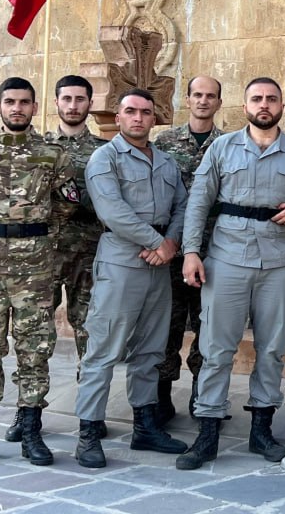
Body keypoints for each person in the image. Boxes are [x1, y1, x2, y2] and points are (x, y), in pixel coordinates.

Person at [176, 78, 285, 469]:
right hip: (227, 259)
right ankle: (208, 431)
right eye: (257, 98)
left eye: (271, 99)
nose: (264, 105)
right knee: (216, 348)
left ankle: (262, 430)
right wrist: (191, 252)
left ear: (282, 105)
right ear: (244, 105)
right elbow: (198, 203)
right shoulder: (222, 149)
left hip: (280, 262)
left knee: (273, 348)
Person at [0, 77, 80, 467]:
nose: (17, 108)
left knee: (34, 346)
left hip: (35, 264)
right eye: (10, 102)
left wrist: (34, 229)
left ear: (34, 107)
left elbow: (67, 202)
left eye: (24, 102)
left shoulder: (52, 154)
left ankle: (31, 431)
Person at [73, 89, 191, 468]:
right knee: (104, 349)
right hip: (122, 260)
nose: (138, 117)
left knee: (151, 350)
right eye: (130, 111)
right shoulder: (105, 158)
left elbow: (183, 206)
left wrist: (171, 243)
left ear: (154, 118)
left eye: (145, 112)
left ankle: (145, 426)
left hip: (159, 264)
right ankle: (88, 433)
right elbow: (112, 210)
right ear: (119, 117)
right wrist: (159, 243)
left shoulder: (167, 162)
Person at [3, 74, 104, 445]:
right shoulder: (38, 148)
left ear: (90, 103)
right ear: (56, 103)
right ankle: (27, 410)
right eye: (66, 99)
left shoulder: (104, 150)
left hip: (89, 252)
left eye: (80, 99)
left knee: (90, 333)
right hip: (42, 254)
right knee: (33, 333)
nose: (73, 105)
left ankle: (90, 412)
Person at [153, 75, 224, 423]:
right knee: (166, 325)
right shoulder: (164, 143)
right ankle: (162, 395)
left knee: (208, 327)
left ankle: (201, 394)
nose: (203, 101)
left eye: (210, 96)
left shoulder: (228, 144)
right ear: (188, 99)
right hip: (170, 251)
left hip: (213, 252)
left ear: (219, 103)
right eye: (197, 94)